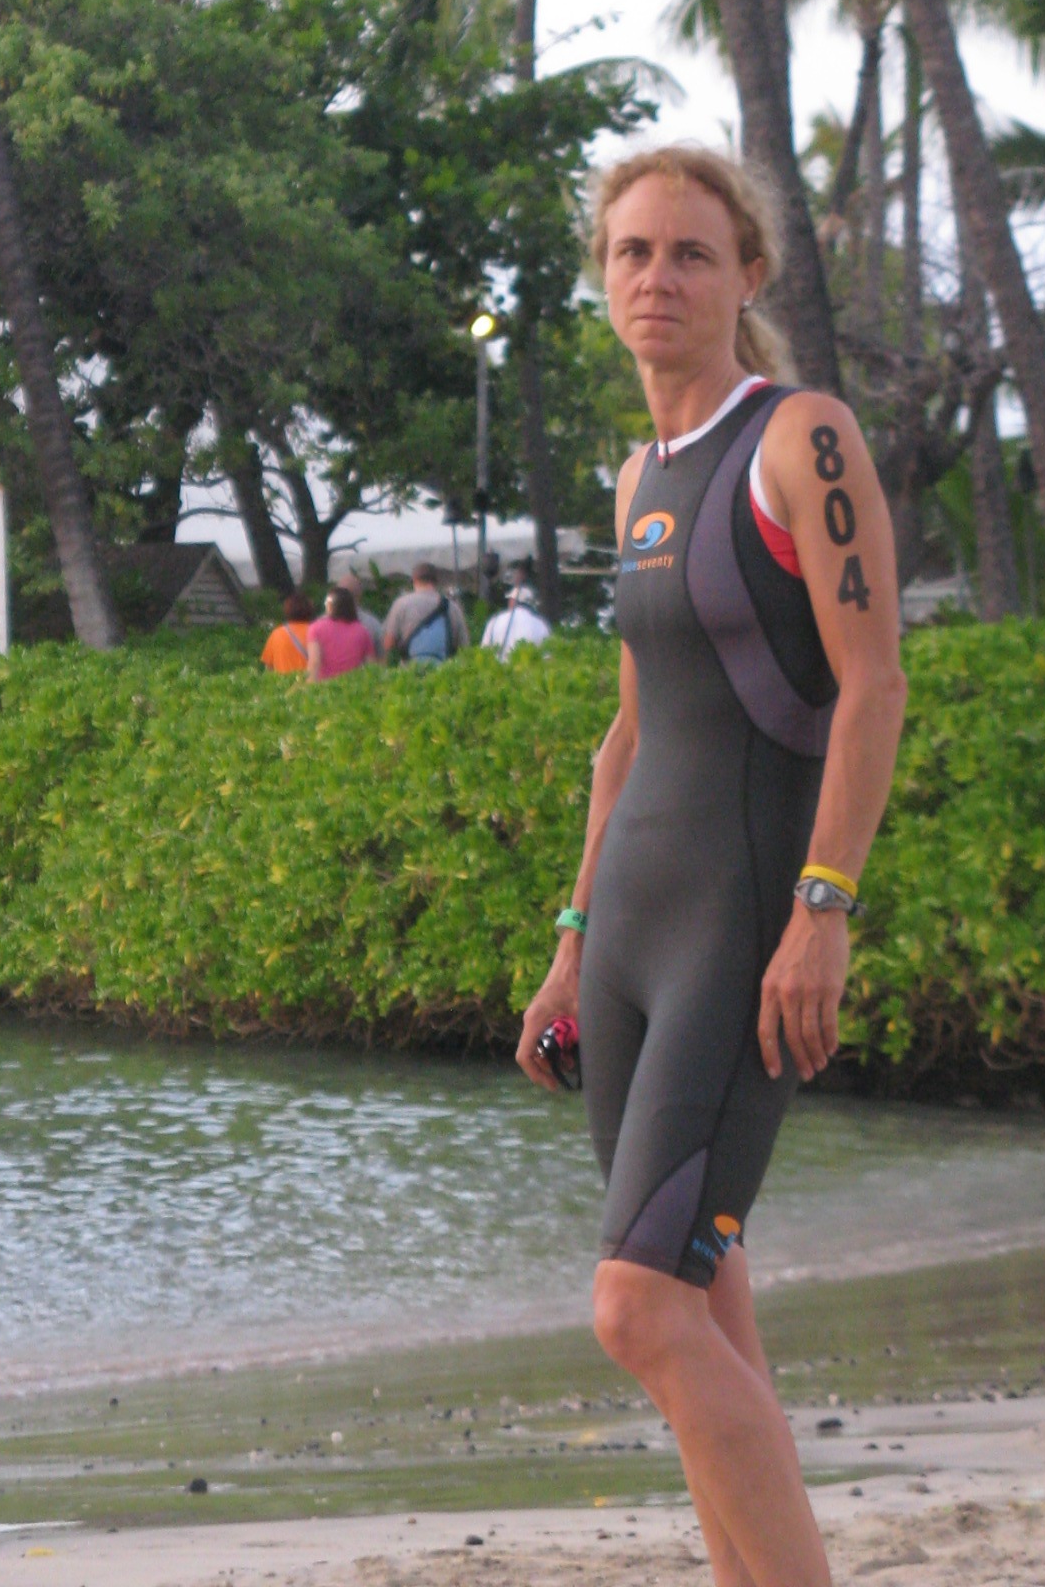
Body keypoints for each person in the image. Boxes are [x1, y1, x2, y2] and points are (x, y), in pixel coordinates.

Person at [517, 144, 907, 1587]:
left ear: (749, 275)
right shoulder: (640, 477)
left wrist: (823, 909)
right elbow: (630, 733)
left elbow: (873, 688)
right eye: (633, 252)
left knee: (638, 1310)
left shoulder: (801, 438)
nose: (658, 278)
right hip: (630, 932)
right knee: (701, 1300)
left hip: (744, 927)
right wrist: (572, 941)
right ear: (603, 277)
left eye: (691, 253)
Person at [381, 562, 467, 665]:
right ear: (436, 581)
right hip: (443, 669)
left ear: (414, 580)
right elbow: (464, 646)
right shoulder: (452, 607)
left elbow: (388, 643)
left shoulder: (401, 604)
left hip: (410, 669)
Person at [306, 585, 375, 682]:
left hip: (325, 685)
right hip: (353, 685)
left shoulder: (316, 628)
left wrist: (309, 685)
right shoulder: (362, 631)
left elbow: (314, 662)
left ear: (330, 606)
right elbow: (371, 665)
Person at [481, 577, 551, 658]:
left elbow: (484, 651)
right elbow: (547, 657)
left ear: (513, 601)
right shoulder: (541, 625)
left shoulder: (495, 620)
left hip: (498, 666)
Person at [260, 590, 315, 676]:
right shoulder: (316, 632)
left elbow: (269, 668)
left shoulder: (276, 634)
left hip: (284, 682)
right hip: (310, 682)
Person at [339, 567, 387, 659]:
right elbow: (382, 656)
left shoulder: (320, 624)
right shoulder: (372, 624)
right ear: (360, 594)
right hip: (364, 668)